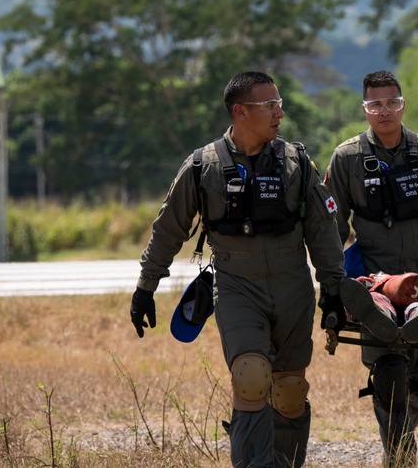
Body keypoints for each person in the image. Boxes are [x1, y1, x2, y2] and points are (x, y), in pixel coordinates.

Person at [130, 71, 347, 468]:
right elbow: (168, 229)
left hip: (293, 285)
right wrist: (146, 285)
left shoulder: (296, 162)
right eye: (270, 105)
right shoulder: (202, 166)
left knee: (290, 390)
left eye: (279, 103)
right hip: (237, 286)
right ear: (240, 111)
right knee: (250, 376)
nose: (280, 112)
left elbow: (322, 228)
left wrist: (333, 287)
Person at [324, 70, 418, 467]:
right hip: (371, 289)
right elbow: (330, 231)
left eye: (392, 103)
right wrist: (331, 287)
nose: (384, 111)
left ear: (403, 105)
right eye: (375, 104)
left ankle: (403, 433)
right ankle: (401, 459)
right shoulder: (346, 159)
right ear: (364, 109)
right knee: (390, 377)